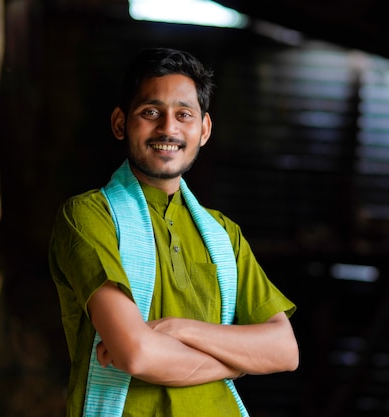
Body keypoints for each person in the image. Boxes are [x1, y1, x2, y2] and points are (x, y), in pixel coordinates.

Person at [48, 47, 299, 417]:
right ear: (120, 123)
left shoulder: (223, 234)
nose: (168, 128)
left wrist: (179, 329)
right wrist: (240, 361)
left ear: (204, 130)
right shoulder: (89, 216)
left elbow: (284, 350)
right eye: (151, 113)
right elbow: (137, 353)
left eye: (184, 115)